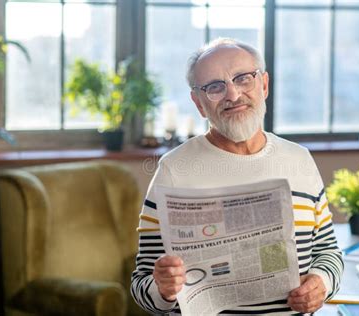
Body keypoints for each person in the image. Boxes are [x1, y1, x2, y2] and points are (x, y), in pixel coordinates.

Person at [131, 38, 343, 315]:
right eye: (215, 87)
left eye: (243, 78)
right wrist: (163, 289)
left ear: (264, 85)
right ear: (199, 103)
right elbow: (141, 284)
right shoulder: (173, 170)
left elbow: (329, 252)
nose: (232, 94)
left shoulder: (299, 159)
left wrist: (321, 283)